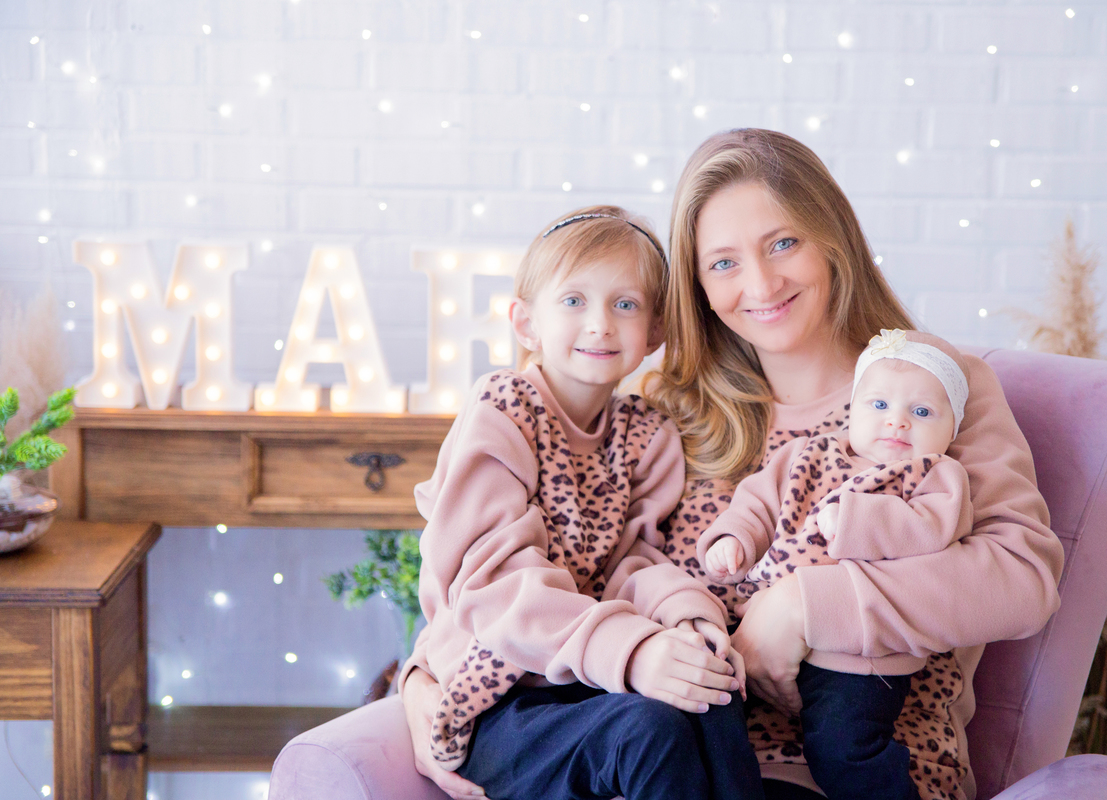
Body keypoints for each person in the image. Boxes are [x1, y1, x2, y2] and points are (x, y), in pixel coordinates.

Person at [404, 129, 1064, 800]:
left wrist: (805, 607)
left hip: (859, 768)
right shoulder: (669, 416)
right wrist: (424, 681)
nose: (760, 283)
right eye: (723, 263)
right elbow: (533, 567)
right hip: (673, 756)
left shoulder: (930, 388)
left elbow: (1022, 576)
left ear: (832, 239)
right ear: (695, 287)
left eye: (783, 243)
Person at [404, 205, 765, 800]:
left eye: (624, 305)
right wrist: (629, 648)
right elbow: (492, 588)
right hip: (497, 695)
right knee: (645, 729)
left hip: (584, 683)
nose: (600, 324)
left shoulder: (646, 437)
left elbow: (636, 565)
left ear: (655, 332)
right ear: (526, 323)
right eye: (574, 301)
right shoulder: (504, 411)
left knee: (708, 686)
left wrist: (687, 619)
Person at [700, 329, 975, 800]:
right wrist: (734, 539)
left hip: (859, 656)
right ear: (854, 408)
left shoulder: (935, 475)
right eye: (879, 405)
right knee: (710, 701)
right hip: (760, 631)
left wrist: (854, 519)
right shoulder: (806, 454)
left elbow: (929, 531)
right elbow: (757, 504)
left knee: (844, 749)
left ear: (952, 428)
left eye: (922, 412)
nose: (898, 423)